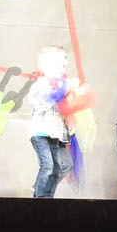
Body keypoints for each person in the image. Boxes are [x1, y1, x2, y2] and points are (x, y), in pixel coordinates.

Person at [28, 45, 76, 198]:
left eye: (64, 64)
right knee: (48, 166)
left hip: (56, 133)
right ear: (47, 66)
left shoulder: (62, 85)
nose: (63, 67)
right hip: (41, 133)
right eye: (59, 64)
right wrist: (60, 92)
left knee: (62, 167)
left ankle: (46, 196)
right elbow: (41, 105)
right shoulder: (41, 84)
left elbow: (65, 111)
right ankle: (39, 195)